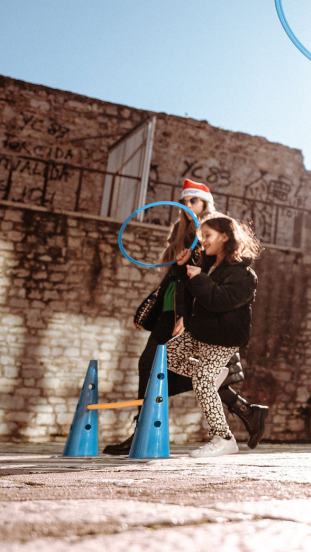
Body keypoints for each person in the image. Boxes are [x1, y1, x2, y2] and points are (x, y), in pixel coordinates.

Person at [105, 180, 260, 454]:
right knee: (157, 362)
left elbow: (213, 294)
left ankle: (221, 435)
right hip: (191, 319)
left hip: (211, 329)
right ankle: (215, 383)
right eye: (184, 200)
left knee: (184, 374)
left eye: (193, 201)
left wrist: (185, 314)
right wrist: (153, 307)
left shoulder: (226, 257)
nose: (186, 206)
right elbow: (178, 279)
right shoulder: (190, 238)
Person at [168, 214, 263, 458]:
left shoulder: (243, 274)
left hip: (223, 337)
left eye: (207, 236)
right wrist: (182, 269)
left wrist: (198, 277)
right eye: (202, 237)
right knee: (166, 355)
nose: (203, 241)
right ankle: (214, 375)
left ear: (225, 236)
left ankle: (224, 438)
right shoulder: (210, 266)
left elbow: (218, 300)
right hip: (200, 332)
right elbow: (190, 293)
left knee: (202, 380)